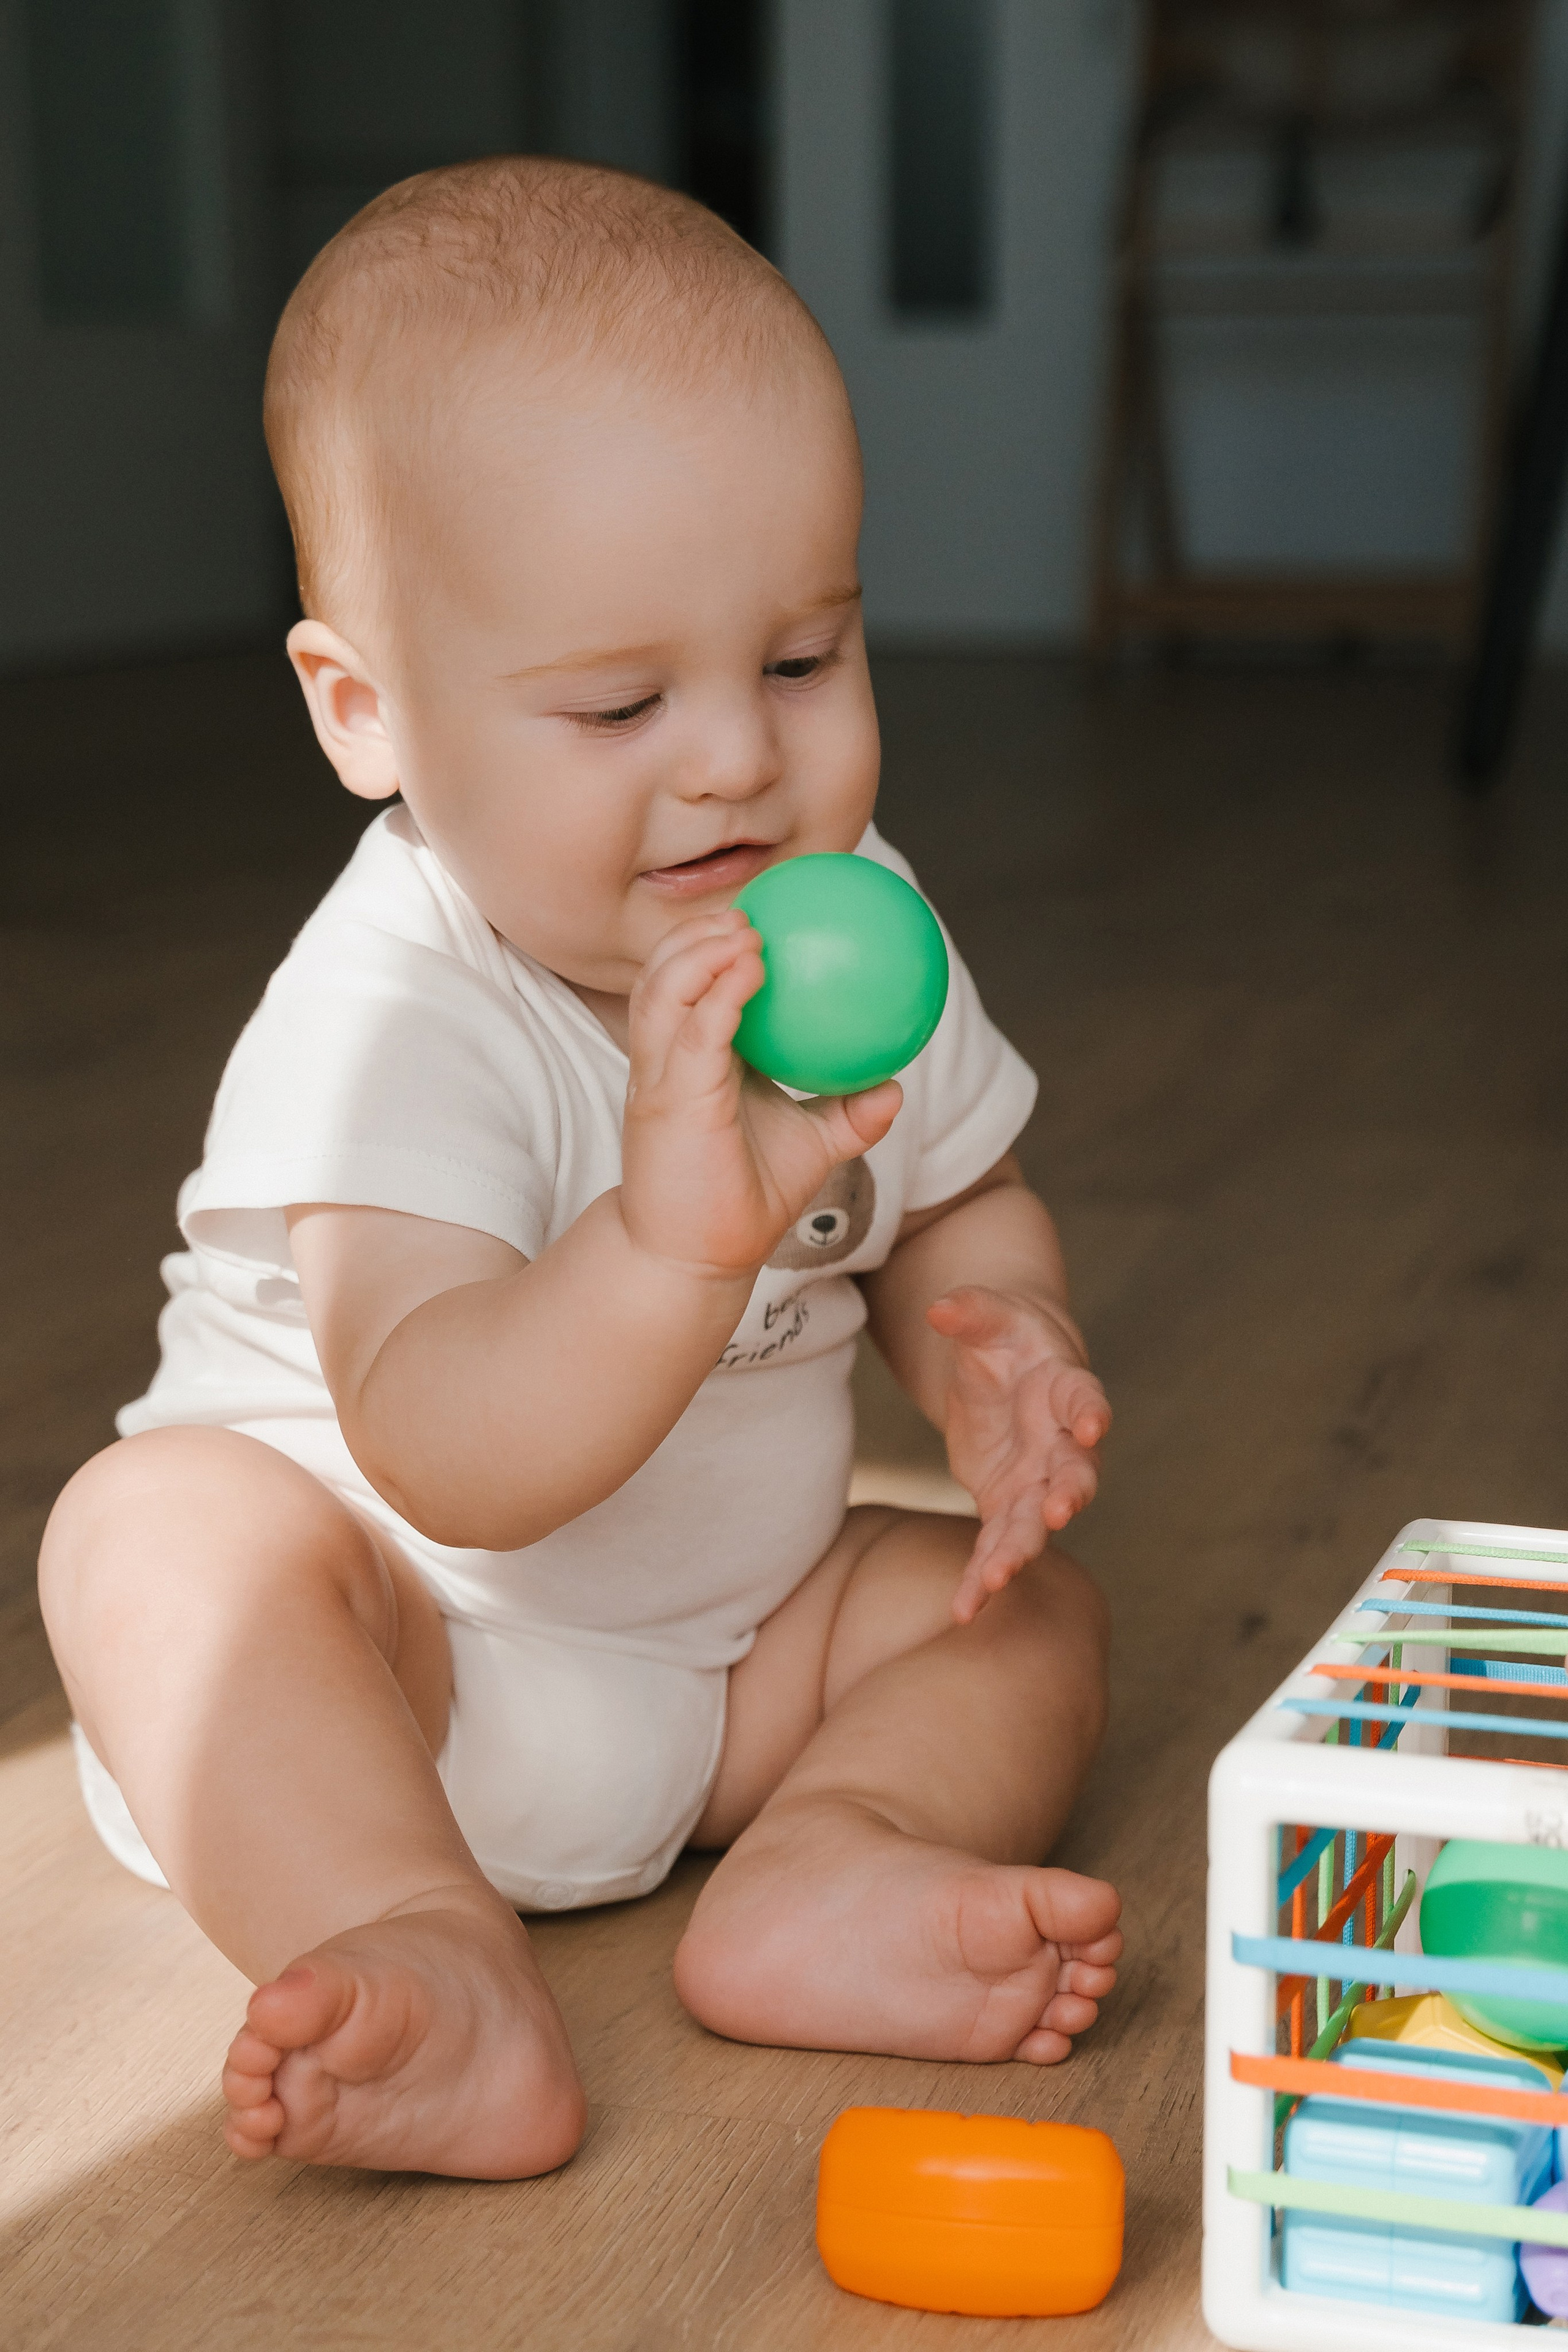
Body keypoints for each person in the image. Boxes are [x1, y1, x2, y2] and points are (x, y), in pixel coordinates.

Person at [38, 157, 1121, 2181]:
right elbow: (445, 1447)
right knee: (152, 1538)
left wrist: (1004, 1330)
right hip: (402, 1673)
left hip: (734, 1671)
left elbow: (958, 1190)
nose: (733, 758)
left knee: (1025, 1622)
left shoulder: (849, 911)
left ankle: (827, 1864)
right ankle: (417, 1944)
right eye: (621, 702)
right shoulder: (391, 1016)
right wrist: (664, 1242)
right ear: (369, 712)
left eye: (803, 661)